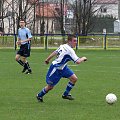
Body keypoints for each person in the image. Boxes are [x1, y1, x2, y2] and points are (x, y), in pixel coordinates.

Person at [36, 34, 87, 102]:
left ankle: (65, 94)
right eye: (74, 41)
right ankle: (39, 95)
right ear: (69, 41)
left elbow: (55, 52)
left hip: (63, 68)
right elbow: (78, 61)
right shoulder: (70, 51)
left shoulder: (63, 46)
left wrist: (47, 59)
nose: (76, 42)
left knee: (74, 79)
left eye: (76, 41)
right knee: (50, 87)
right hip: (56, 69)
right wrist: (83, 58)